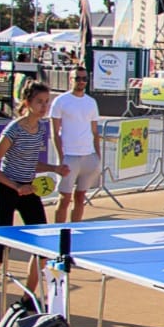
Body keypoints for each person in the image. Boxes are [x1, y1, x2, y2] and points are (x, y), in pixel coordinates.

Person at [0, 83, 71, 323]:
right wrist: (16, 187)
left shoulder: (40, 128)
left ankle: (27, 298)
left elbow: (31, 163)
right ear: (27, 103)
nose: (44, 106)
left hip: (28, 190)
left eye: (47, 102)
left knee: (42, 248)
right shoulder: (14, 129)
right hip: (7, 191)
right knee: (0, 250)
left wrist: (54, 168)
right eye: (40, 102)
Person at [50, 66, 101, 223]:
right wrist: (61, 158)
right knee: (64, 198)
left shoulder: (91, 102)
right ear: (70, 79)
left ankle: (75, 231)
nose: (81, 81)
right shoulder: (60, 101)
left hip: (88, 156)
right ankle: (58, 232)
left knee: (80, 198)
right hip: (69, 157)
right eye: (77, 78)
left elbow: (94, 132)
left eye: (84, 78)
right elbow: (55, 133)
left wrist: (98, 156)